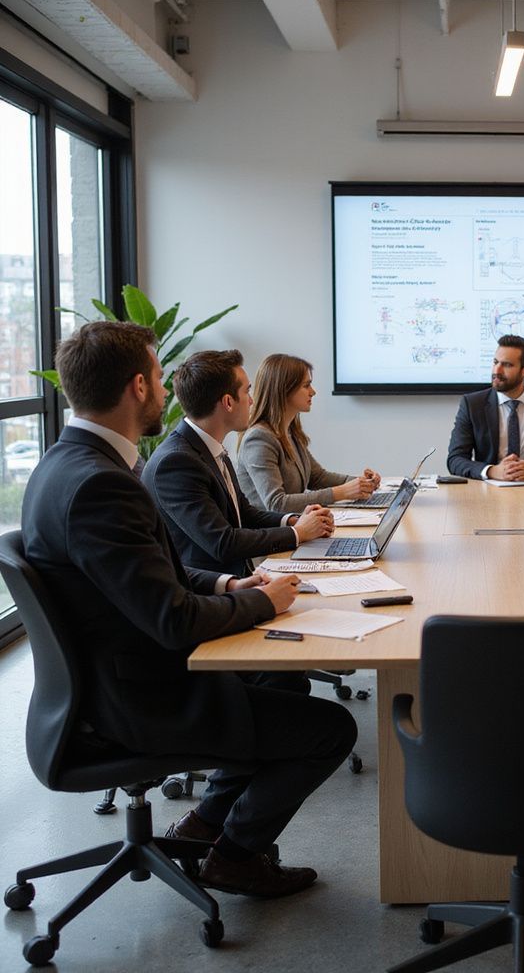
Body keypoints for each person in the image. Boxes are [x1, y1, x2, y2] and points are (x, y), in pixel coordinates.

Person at [21, 322, 357, 898]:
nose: (165, 387)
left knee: (282, 681)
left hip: (109, 680)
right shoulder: (102, 483)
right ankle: (234, 856)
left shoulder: (67, 463)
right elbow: (173, 619)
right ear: (137, 388)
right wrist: (261, 600)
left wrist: (229, 586)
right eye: (157, 376)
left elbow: (160, 576)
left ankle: (205, 824)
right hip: (135, 700)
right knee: (331, 729)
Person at [144, 350, 335, 578]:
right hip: (211, 594)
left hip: (240, 579)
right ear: (228, 402)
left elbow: (244, 513)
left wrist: (294, 519)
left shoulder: (209, 448)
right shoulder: (176, 462)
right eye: (247, 391)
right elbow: (223, 542)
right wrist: (297, 532)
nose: (252, 400)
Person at [237, 353, 381, 511]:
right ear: (284, 389)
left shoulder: (289, 431)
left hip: (294, 527)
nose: (313, 392)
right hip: (272, 531)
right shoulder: (258, 439)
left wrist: (360, 483)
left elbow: (317, 477)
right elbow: (277, 504)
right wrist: (342, 492)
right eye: (306, 385)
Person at [446, 335, 524, 481]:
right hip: (488, 490)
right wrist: (492, 471)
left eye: (506, 365)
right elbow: (455, 459)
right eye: (495, 362)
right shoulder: (472, 404)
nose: (497, 371)